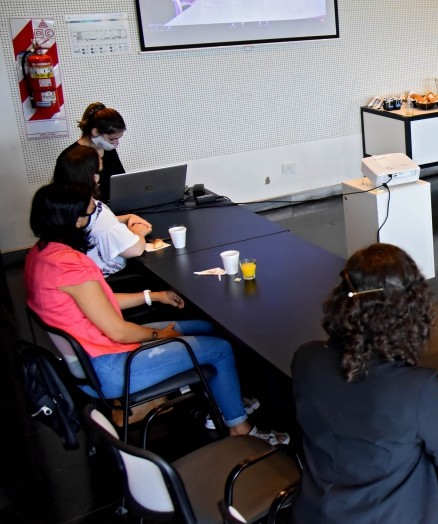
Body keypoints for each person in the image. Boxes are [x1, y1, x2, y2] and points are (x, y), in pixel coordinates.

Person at [24, 183, 285, 443]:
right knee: (220, 349)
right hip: (111, 367)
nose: (97, 216)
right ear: (76, 220)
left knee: (207, 327)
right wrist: (161, 336)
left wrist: (153, 295)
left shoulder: (41, 255)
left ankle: (223, 398)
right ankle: (239, 428)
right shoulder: (70, 266)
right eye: (92, 211)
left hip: (92, 357)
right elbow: (119, 331)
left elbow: (97, 302)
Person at [293, 244, 438, 524]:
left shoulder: (306, 358)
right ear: (409, 311)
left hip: (314, 518)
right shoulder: (415, 387)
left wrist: (430, 399)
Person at [53, 145, 150, 276]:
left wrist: (124, 218)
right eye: (97, 173)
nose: (99, 178)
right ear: (89, 176)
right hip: (105, 278)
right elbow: (135, 250)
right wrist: (139, 231)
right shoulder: (93, 208)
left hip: (74, 273)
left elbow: (94, 226)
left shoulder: (59, 202)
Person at [59, 102, 126, 203]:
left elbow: (120, 180)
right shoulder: (71, 157)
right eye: (112, 139)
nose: (116, 143)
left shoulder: (108, 150)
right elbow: (71, 198)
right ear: (96, 132)